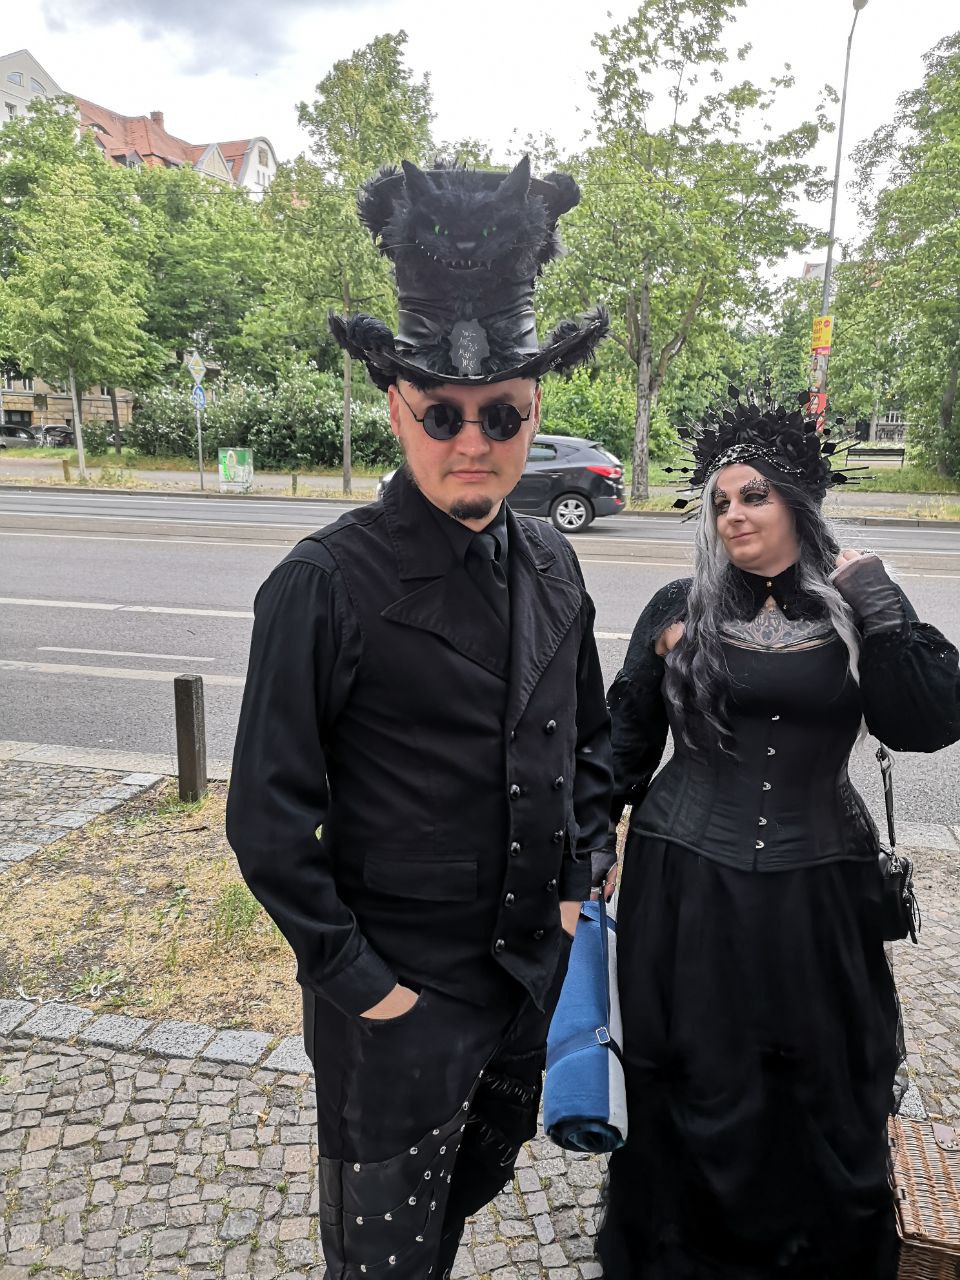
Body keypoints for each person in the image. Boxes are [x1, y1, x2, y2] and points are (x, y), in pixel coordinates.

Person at [226, 157, 614, 1280]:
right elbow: (267, 823)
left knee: (463, 1206)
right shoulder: (323, 584)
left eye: (502, 415)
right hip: (395, 1012)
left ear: (534, 411)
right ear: (396, 406)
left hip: (524, 988)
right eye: (442, 413)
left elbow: (589, 743)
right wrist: (365, 986)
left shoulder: (553, 563)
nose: (472, 441)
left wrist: (581, 881)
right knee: (383, 1258)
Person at [597, 391, 960, 1279]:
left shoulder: (851, 606)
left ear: (797, 500)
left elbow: (926, 722)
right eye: (721, 501)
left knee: (819, 1072)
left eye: (754, 495)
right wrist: (592, 845)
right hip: (685, 880)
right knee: (693, 1066)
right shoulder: (678, 606)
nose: (734, 515)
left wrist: (878, 599)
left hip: (817, 886)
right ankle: (681, 1249)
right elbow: (623, 742)